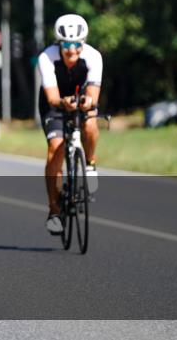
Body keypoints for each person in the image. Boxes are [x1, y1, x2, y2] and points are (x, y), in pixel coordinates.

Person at [37, 14, 103, 236]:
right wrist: (63, 102)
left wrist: (87, 102)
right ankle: (54, 210)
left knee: (91, 124)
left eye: (77, 44)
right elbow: (52, 97)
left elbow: (93, 93)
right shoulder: (47, 57)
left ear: (83, 43)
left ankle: (91, 164)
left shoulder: (94, 57)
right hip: (55, 103)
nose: (72, 49)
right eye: (66, 44)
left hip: (81, 100)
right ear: (59, 43)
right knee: (55, 148)